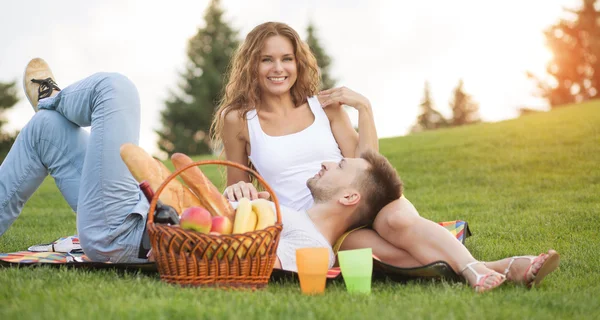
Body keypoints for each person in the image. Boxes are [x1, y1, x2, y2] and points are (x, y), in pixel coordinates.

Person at [211, 21, 560, 292]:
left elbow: (366, 169)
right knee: (397, 258)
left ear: (298, 63)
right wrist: (239, 193)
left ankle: (475, 272)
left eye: (287, 58)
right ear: (251, 65)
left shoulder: (325, 109)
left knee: (395, 222)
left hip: (360, 200)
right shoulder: (239, 120)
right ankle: (504, 267)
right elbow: (236, 186)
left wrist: (364, 108)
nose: (278, 68)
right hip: (318, 226)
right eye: (267, 59)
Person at [0, 58, 404, 274]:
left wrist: (466, 265)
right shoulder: (287, 214)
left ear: (351, 196)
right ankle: (51, 107)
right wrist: (234, 200)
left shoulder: (314, 248)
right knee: (48, 129)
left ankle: (53, 97)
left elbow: (233, 262)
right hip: (133, 216)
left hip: (133, 230)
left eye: (338, 166)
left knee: (115, 89)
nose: (326, 163)